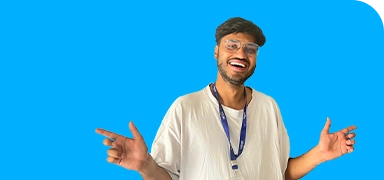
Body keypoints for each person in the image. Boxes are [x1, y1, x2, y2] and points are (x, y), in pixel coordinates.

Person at [95, 17, 357, 180]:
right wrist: (145, 166)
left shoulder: (268, 107)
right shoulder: (185, 108)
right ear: (216, 51)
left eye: (250, 49)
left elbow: (281, 173)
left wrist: (319, 154)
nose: (241, 53)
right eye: (232, 45)